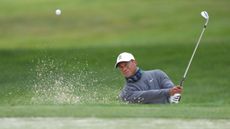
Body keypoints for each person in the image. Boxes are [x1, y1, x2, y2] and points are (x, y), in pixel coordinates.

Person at [115, 52, 183, 104]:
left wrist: (175, 92)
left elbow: (170, 88)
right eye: (121, 67)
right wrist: (168, 93)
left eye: (126, 65)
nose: (124, 69)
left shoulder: (158, 74)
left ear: (134, 62)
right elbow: (146, 96)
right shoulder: (126, 93)